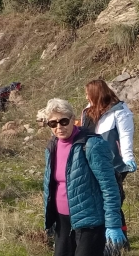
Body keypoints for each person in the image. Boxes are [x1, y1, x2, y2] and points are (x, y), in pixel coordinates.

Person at [42, 98, 126, 256]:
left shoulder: (91, 144)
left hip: (90, 223)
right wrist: (50, 217)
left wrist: (113, 224)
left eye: (64, 121)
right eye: (53, 123)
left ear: (73, 120)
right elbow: (51, 185)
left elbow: (109, 186)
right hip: (62, 221)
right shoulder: (52, 146)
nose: (59, 127)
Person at [81, 80, 136, 247]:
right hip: (93, 161)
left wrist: (128, 157)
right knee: (101, 197)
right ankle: (106, 236)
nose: (85, 96)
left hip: (114, 163)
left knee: (113, 197)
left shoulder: (119, 111)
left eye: (87, 93)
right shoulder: (87, 111)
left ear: (96, 94)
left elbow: (126, 135)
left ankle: (120, 239)